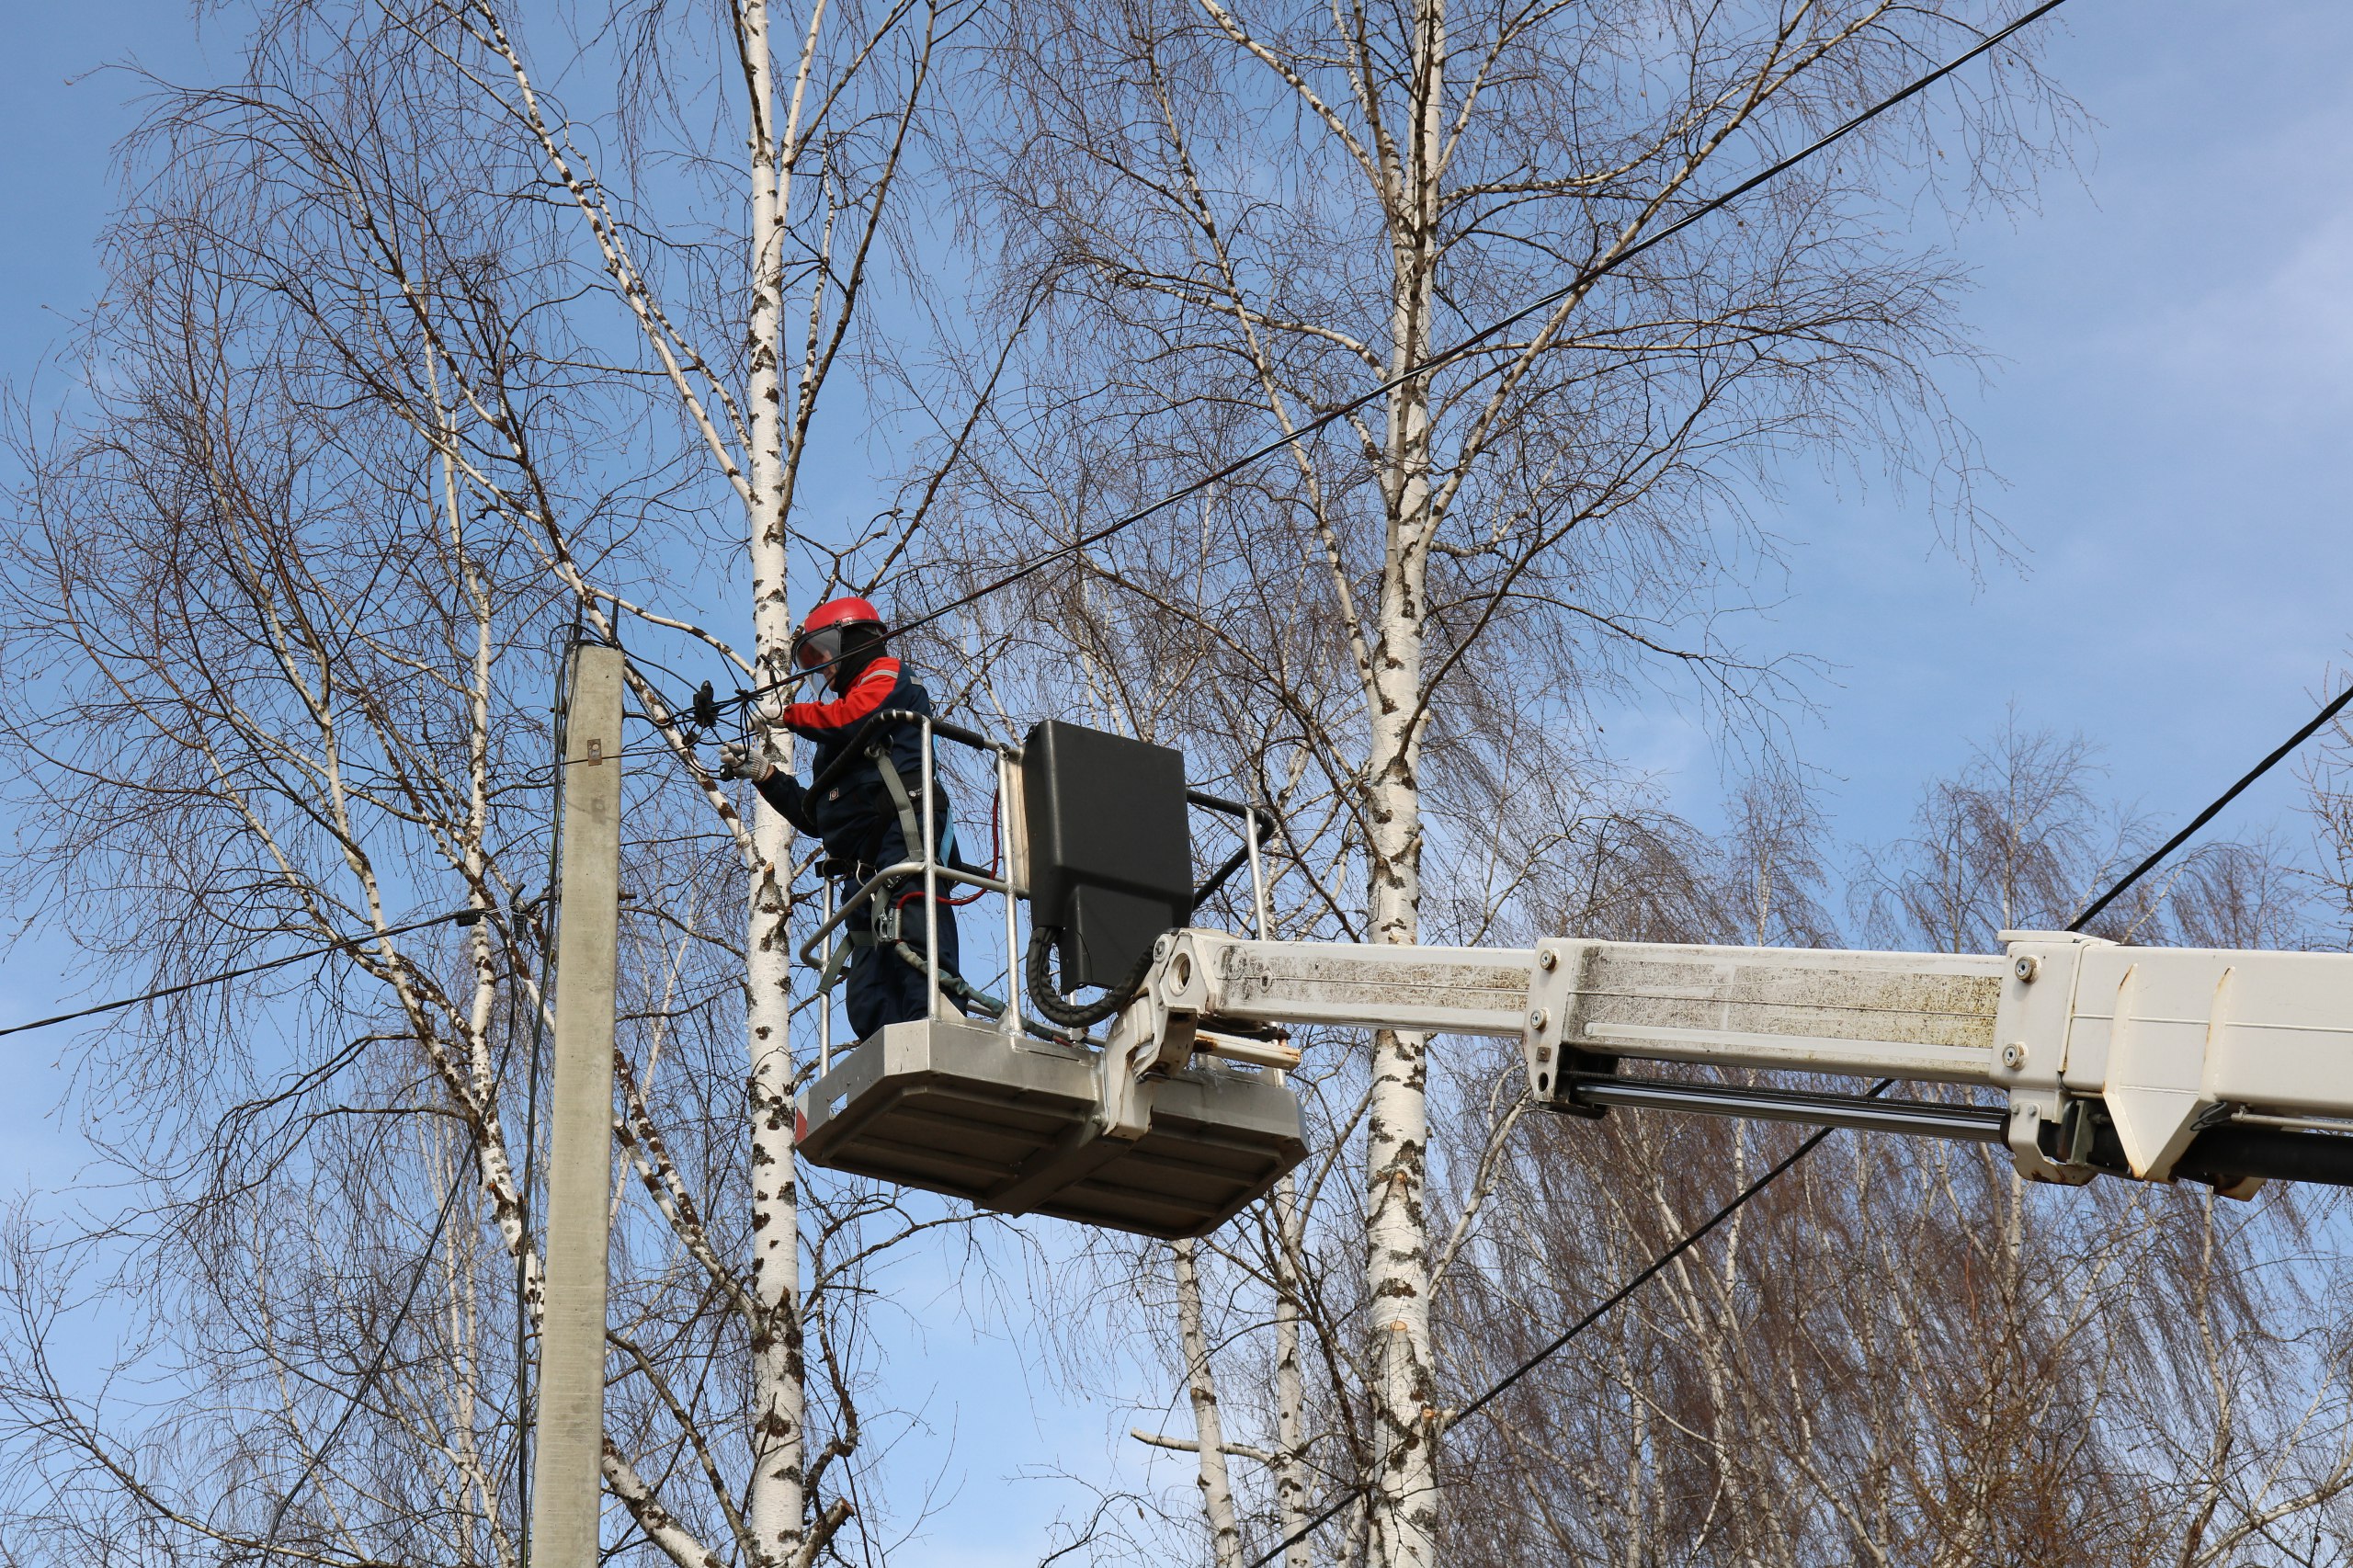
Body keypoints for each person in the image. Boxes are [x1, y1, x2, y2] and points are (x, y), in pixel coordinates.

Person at [719, 597, 961, 1039]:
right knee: (869, 985)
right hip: (861, 869)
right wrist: (766, 775)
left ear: (854, 640)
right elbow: (818, 816)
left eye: (822, 654)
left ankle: (940, 1028)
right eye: (811, 661)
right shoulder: (831, 741)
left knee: (915, 946)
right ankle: (886, 1062)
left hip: (904, 835)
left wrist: (789, 716)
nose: (822, 670)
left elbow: (855, 717)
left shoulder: (886, 675)